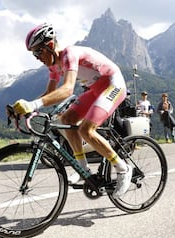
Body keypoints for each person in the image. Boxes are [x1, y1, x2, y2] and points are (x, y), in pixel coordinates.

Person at [12, 23, 132, 198]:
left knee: (86, 129)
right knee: (64, 121)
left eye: (38, 51)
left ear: (50, 45)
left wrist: (34, 105)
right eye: (33, 54)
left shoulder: (70, 54)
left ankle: (123, 168)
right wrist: (26, 108)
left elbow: (68, 89)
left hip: (113, 85)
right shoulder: (53, 65)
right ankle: (84, 171)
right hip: (94, 89)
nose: (37, 57)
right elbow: (50, 93)